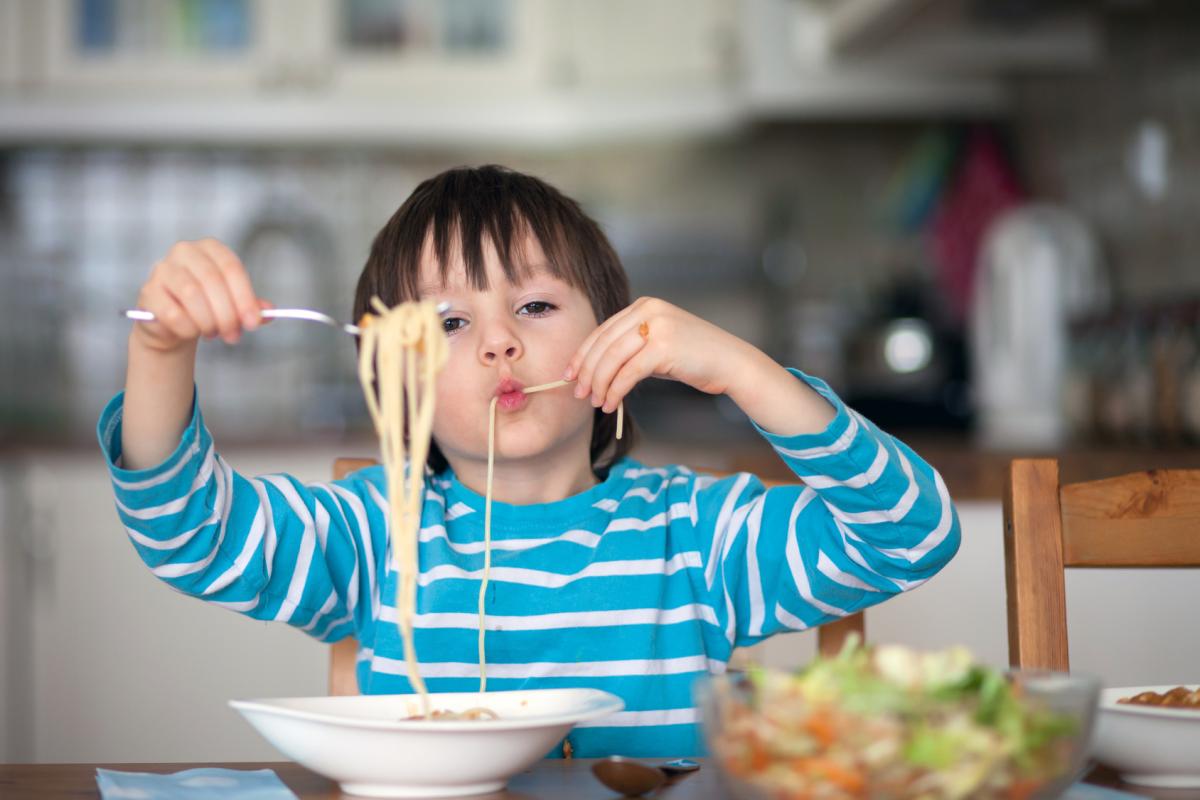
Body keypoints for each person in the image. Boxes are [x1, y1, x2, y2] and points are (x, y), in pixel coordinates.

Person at [98, 165, 960, 758]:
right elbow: (189, 536)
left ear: (621, 337)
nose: (500, 342)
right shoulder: (369, 532)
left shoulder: (698, 535)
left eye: (537, 303)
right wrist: (164, 353)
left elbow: (912, 533)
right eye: (448, 323)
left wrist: (742, 369)